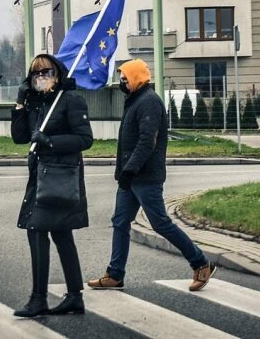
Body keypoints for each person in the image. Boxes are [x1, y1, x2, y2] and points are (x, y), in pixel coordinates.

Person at [87, 59, 216, 292]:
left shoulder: (149, 102)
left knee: (160, 223)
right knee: (120, 222)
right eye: (121, 79)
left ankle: (201, 263)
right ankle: (115, 274)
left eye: (125, 79)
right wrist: (126, 172)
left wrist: (130, 169)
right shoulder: (135, 100)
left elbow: (148, 141)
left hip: (145, 177)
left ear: (137, 78)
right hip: (131, 176)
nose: (122, 83)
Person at [11, 54, 94, 318]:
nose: (40, 77)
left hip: (60, 175)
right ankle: (73, 297)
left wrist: (49, 141)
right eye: (35, 74)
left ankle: (39, 299)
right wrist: (20, 104)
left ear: (57, 75)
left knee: (38, 231)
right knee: (60, 234)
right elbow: (19, 137)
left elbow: (85, 139)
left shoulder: (70, 99)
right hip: (41, 174)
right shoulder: (37, 102)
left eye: (45, 72)